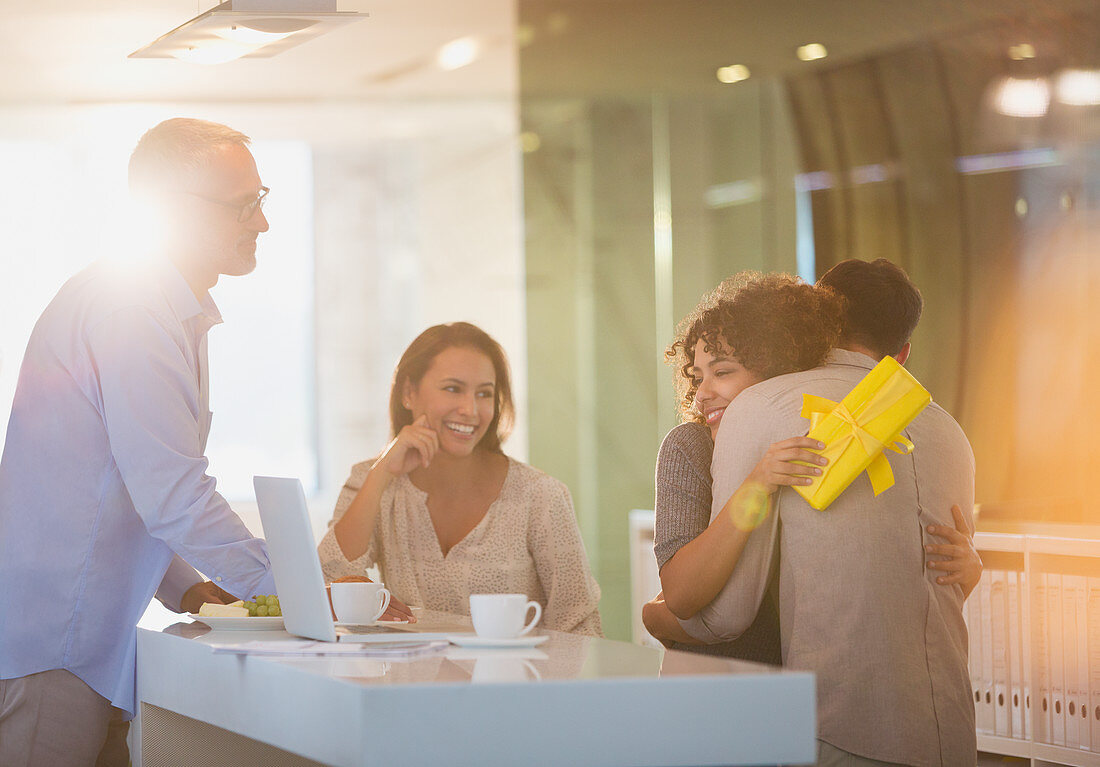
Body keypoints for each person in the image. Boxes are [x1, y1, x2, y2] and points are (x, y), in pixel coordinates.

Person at [0, 118, 282, 767]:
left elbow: (127, 480)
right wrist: (298, 590)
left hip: (89, 647)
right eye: (245, 205)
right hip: (52, 646)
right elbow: (175, 494)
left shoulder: (169, 307)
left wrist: (185, 587)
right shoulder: (131, 308)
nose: (261, 223)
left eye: (261, 199)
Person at [680, 258, 977, 765]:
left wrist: (658, 613)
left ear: (810, 322)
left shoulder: (762, 407)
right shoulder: (950, 432)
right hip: (950, 729)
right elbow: (947, 576)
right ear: (902, 354)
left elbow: (725, 616)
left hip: (841, 728)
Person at [318, 322, 603, 636]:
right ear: (408, 392)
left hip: (514, 682)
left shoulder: (540, 497)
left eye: (484, 394)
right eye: (453, 388)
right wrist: (383, 470)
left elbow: (580, 625)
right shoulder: (371, 481)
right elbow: (330, 580)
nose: (470, 410)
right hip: (408, 684)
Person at [642, 272, 843, 660]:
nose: (701, 394)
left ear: (776, 373)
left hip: (814, 680)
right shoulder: (690, 450)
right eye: (698, 377)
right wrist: (756, 484)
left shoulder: (824, 441)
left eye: (722, 372)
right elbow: (682, 596)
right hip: (721, 687)